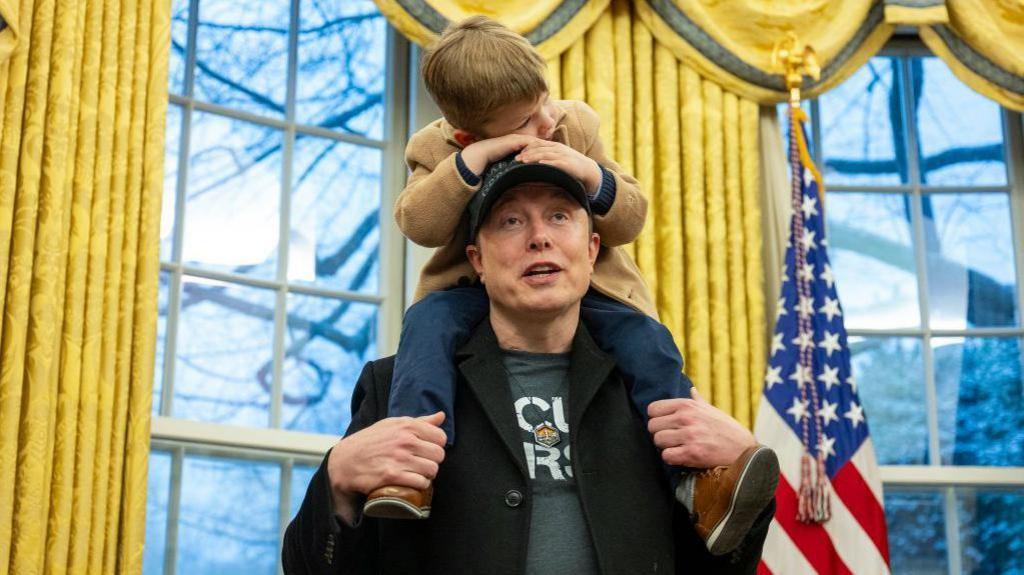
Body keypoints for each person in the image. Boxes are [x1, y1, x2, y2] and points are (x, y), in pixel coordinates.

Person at [375, 15, 776, 555]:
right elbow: (418, 224)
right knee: (424, 330)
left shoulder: (571, 125)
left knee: (648, 343)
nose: (546, 120)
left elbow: (630, 219)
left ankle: (699, 479)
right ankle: (412, 470)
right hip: (471, 290)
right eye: (525, 121)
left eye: (545, 101)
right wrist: (469, 163)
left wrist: (590, 174)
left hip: (595, 295)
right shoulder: (437, 148)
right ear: (469, 133)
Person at [282, 160, 778, 573]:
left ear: (591, 251)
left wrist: (740, 470)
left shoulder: (654, 395)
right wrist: (337, 482)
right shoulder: (396, 388)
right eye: (511, 221)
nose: (539, 237)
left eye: (560, 216)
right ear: (476, 260)